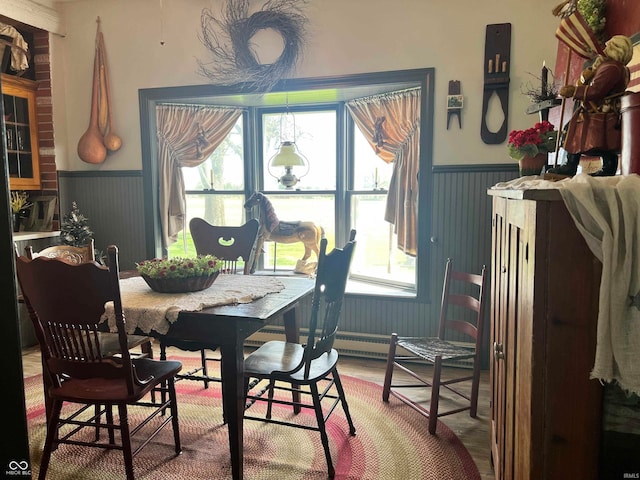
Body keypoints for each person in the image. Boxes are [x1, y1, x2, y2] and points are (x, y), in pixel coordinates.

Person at [547, 35, 633, 177]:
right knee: (605, 143)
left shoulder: (611, 68)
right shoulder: (619, 68)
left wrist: (574, 91)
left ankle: (570, 166)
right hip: (606, 111)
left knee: (572, 132)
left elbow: (596, 90)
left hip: (598, 111)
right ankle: (608, 167)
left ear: (615, 49)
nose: (604, 50)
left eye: (608, 47)